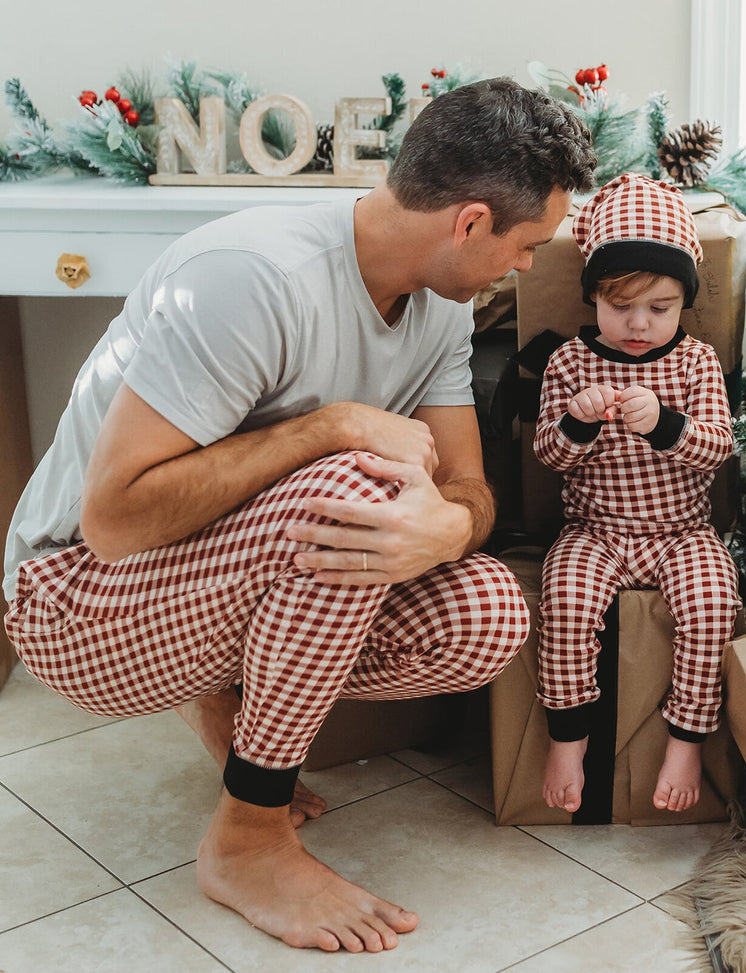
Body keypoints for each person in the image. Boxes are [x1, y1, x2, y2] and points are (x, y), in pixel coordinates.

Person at [2, 77, 596, 953]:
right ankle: (247, 837)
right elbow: (115, 521)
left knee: (489, 610)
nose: (529, 266)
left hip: (208, 577)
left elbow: (467, 486)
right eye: (528, 244)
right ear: (470, 221)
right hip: (71, 601)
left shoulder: (441, 302)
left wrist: (453, 525)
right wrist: (330, 425)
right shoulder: (251, 277)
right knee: (352, 485)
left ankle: (222, 700)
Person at [533, 173, 740, 816]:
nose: (639, 324)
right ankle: (568, 739)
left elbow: (717, 447)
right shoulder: (569, 361)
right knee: (565, 600)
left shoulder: (696, 362)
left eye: (660, 308)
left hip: (682, 530)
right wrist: (577, 424)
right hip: (594, 530)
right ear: (594, 294)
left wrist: (665, 424)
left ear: (684, 302)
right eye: (621, 306)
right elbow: (547, 456)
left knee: (712, 604)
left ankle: (686, 740)